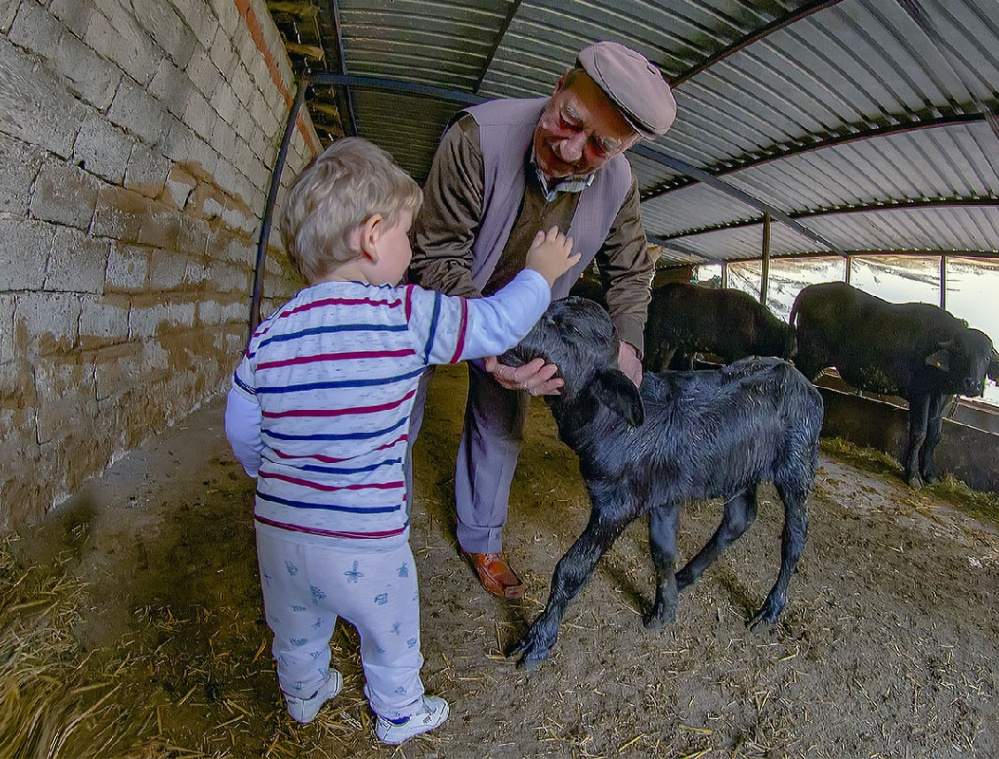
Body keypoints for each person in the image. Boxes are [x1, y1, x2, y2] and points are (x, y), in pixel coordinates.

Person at [223, 137, 578, 744]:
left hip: (279, 531)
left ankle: (305, 697)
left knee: (296, 629)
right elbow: (493, 323)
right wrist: (538, 277)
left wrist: (274, 475)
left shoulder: (271, 333)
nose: (411, 251)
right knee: (391, 631)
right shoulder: (405, 314)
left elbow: (240, 426)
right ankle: (398, 712)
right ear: (372, 235)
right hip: (366, 540)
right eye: (407, 236)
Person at [408, 41, 677, 599]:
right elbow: (436, 254)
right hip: (441, 301)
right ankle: (377, 527)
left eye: (601, 145)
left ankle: (481, 538)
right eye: (569, 120)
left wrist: (628, 347)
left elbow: (630, 272)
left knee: (501, 424)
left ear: (623, 148)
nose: (572, 149)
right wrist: (487, 345)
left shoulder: (619, 184)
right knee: (398, 409)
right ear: (558, 87)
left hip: (528, 320)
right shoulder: (475, 138)